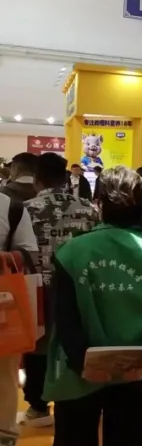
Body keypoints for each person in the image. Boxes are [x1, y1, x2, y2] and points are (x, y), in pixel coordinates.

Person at [45, 166, 142, 446]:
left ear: (98, 203)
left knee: (75, 437)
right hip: (140, 372)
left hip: (80, 373)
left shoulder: (71, 251)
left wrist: (80, 362)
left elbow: (63, 315)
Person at [17, 153, 98, 429]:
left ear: (37, 179)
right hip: (79, 285)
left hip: (38, 286)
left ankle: (38, 405)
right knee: (75, 340)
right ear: (65, 178)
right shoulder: (88, 208)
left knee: (38, 345)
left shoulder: (26, 208)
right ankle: (74, 397)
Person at [0, 191, 38, 446]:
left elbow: (28, 252)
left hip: (2, 302)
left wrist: (5, 258)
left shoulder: (10, 207)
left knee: (4, 373)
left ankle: (4, 435)